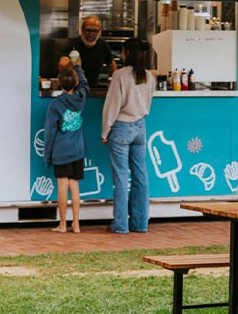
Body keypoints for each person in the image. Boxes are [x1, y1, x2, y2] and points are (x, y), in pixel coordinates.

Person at [101, 38, 154, 234]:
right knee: (141, 176)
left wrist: (105, 131)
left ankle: (121, 225)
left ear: (126, 54)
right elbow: (148, 102)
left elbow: (112, 105)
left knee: (121, 178)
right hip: (140, 127)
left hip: (121, 128)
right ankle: (140, 224)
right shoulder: (149, 77)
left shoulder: (120, 76)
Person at [43, 63, 90, 234]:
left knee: (62, 185)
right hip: (77, 149)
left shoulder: (55, 105)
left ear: (60, 84)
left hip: (61, 151)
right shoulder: (81, 97)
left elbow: (49, 133)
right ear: (76, 83)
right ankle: (76, 224)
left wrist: (47, 156)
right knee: (74, 185)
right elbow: (85, 84)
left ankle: (63, 224)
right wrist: (78, 66)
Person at [63, 15, 116, 88]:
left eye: (95, 31)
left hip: (93, 89)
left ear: (99, 32)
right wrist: (72, 64)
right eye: (88, 30)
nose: (91, 34)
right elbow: (62, 65)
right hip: (73, 90)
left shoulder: (103, 45)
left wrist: (113, 82)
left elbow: (112, 67)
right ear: (82, 29)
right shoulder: (72, 44)